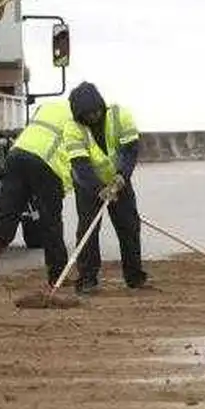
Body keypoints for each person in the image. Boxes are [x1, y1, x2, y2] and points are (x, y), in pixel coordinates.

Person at [0, 99, 78, 287]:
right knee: (51, 222)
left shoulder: (49, 107)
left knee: (7, 213)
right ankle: (57, 274)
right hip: (46, 164)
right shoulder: (79, 121)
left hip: (17, 156)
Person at [63, 82, 148, 293]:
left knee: (129, 226)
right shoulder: (73, 129)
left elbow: (130, 150)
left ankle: (135, 277)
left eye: (95, 112)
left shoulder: (121, 116)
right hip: (88, 185)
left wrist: (121, 178)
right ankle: (87, 279)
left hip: (119, 181)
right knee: (88, 230)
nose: (93, 117)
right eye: (87, 115)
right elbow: (80, 165)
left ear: (101, 105)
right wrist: (99, 189)